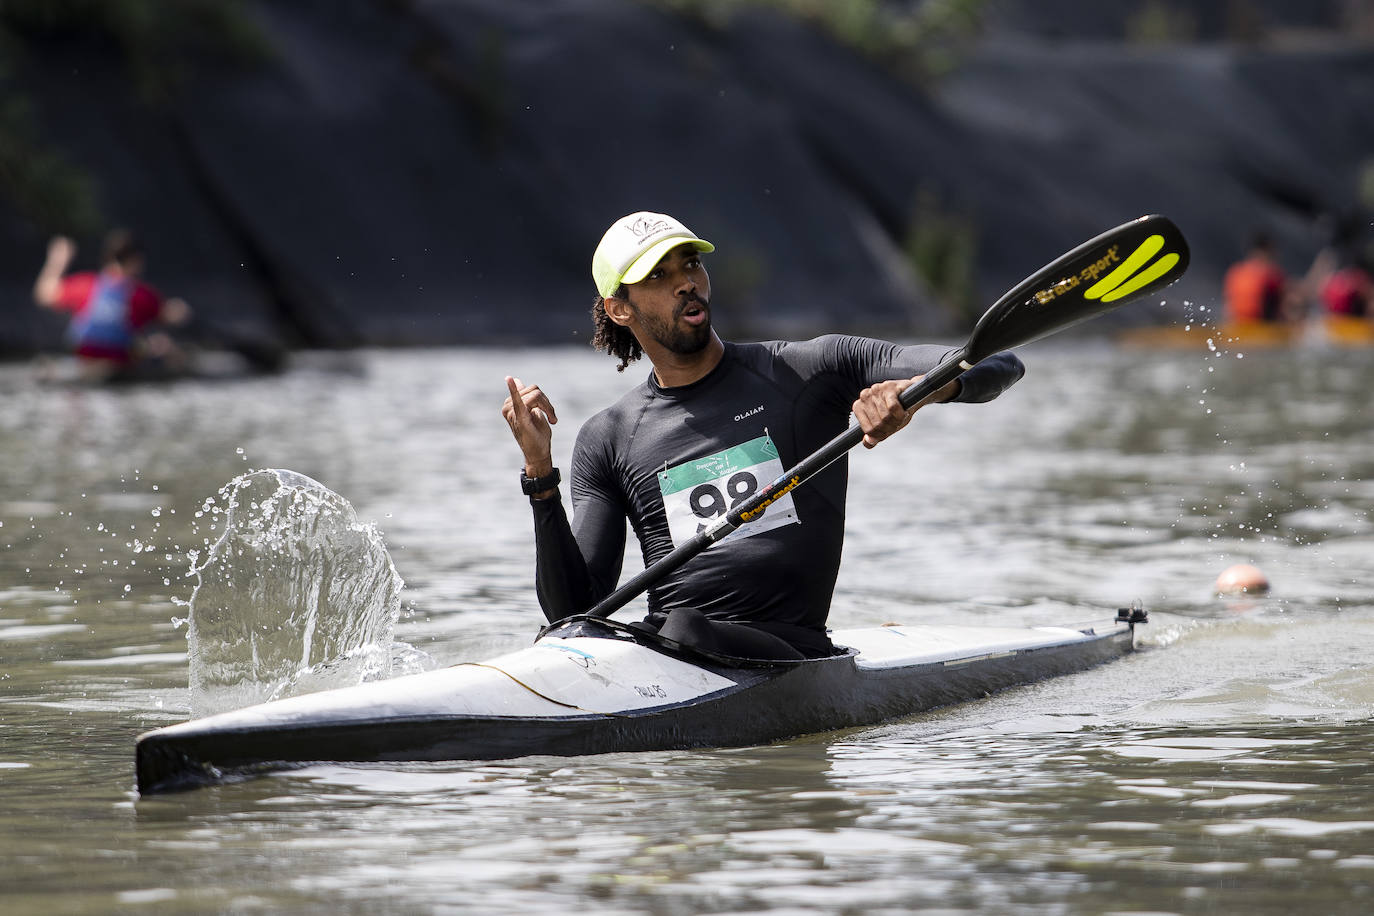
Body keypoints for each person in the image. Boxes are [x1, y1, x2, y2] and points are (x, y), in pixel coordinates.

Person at [501, 211, 1024, 661]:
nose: (686, 282)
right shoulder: (608, 438)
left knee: (682, 627)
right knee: (599, 632)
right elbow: (573, 611)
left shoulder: (807, 370)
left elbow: (998, 362)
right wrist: (539, 474)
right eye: (659, 276)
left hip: (788, 652)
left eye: (690, 264)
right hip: (665, 655)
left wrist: (914, 394)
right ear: (619, 308)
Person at [33, 229, 191, 377]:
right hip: (120, 362)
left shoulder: (86, 285)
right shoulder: (140, 294)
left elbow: (44, 295)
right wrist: (180, 310)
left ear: (108, 258)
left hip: (85, 360)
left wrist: (57, 261)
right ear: (136, 261)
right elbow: (170, 316)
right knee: (163, 344)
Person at [1222, 232, 1294, 324]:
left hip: (1235, 325)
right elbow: (1288, 300)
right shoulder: (1272, 274)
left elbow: (1227, 305)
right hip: (1261, 325)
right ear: (1267, 252)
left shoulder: (1235, 271)